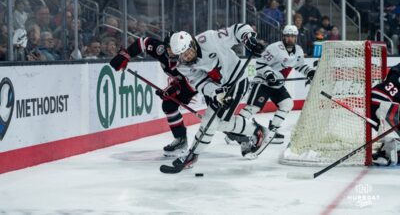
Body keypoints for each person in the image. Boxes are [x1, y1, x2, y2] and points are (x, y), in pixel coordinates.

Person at [167, 23, 275, 169]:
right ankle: (256, 131)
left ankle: (193, 155)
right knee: (217, 122)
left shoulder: (208, 39)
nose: (186, 56)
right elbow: (200, 83)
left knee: (212, 121)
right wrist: (216, 92)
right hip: (220, 88)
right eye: (182, 55)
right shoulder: (182, 66)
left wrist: (248, 39)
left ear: (192, 43)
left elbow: (236, 30)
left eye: (187, 51)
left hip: (238, 79)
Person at [109, 34, 198, 157]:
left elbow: (192, 84)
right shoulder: (160, 50)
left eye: (175, 49)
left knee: (215, 107)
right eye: (169, 48)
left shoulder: (188, 59)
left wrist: (173, 90)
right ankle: (181, 140)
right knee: (168, 105)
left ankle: (231, 130)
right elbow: (143, 42)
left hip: (198, 83)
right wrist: (126, 55)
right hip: (184, 81)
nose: (171, 52)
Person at [236, 25, 315, 144]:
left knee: (287, 104)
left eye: (292, 36)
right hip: (263, 82)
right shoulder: (274, 48)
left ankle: (272, 130)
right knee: (253, 108)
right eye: (287, 36)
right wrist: (269, 75)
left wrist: (309, 72)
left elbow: (299, 65)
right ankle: (235, 130)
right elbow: (260, 63)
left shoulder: (298, 50)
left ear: (296, 38)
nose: (290, 39)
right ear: (283, 36)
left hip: (277, 85)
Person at [370, 63, 400, 166]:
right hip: (384, 105)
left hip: (372, 100)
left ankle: (388, 147)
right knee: (390, 127)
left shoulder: (396, 69)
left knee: (386, 127)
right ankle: (391, 151)